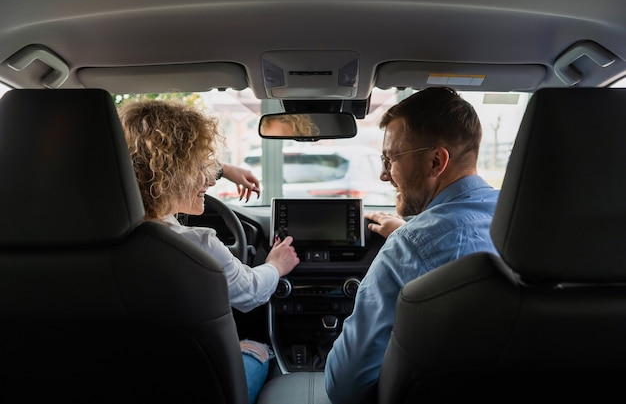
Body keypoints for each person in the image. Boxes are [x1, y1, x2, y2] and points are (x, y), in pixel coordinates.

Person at [324, 86, 500, 404]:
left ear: (436, 162)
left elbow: (345, 388)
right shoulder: (525, 227)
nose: (382, 175)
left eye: (391, 158)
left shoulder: (408, 248)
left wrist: (409, 238)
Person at [118, 99, 300, 404]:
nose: (207, 180)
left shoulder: (83, 238)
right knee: (257, 349)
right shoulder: (197, 246)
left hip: (119, 379)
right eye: (197, 167)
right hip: (191, 386)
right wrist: (276, 265)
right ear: (170, 174)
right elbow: (252, 293)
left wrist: (225, 170)